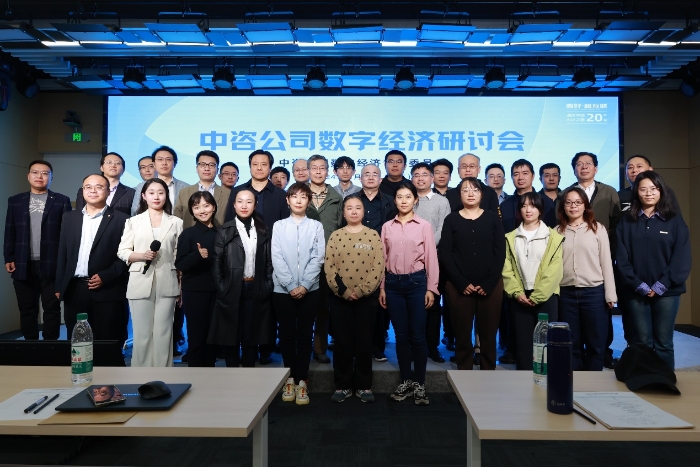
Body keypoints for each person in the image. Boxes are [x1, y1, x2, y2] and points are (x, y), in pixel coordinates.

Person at [616, 171, 691, 370]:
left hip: (668, 292)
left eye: (653, 188)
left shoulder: (675, 221)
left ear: (661, 191)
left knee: (664, 343)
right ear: (636, 192)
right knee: (642, 342)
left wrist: (661, 285)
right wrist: (638, 285)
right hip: (636, 291)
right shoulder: (626, 221)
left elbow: (681, 259)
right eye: (643, 189)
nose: (648, 193)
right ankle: (644, 380)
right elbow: (622, 260)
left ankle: (665, 381)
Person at [222, 149, 289, 365]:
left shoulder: (280, 194)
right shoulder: (238, 191)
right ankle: (240, 350)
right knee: (241, 310)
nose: (259, 168)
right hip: (241, 260)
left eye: (264, 164)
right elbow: (228, 223)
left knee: (266, 308)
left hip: (270, 259)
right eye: (255, 164)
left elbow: (285, 228)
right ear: (249, 166)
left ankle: (265, 349)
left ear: (270, 167)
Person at [379, 182, 438, 405]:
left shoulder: (424, 226)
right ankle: (405, 380)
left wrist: (431, 288)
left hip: (417, 283)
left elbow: (431, 257)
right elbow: (382, 259)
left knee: (418, 335)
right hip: (393, 284)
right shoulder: (387, 227)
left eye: (408, 197)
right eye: (399, 197)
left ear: (415, 200)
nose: (403, 201)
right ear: (395, 200)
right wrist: (382, 287)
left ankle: (420, 383)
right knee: (401, 336)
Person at [439, 177, 505, 371]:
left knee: (488, 335)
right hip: (459, 286)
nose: (470, 193)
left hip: (490, 286)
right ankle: (464, 375)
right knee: (462, 334)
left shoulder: (493, 218)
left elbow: (500, 252)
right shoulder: (451, 219)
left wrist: (489, 283)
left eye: (475, 190)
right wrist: (461, 282)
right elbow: (446, 253)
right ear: (459, 194)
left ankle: (488, 373)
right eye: (465, 190)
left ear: (481, 194)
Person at [56, 173, 129, 346]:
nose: (93, 191)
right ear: (82, 191)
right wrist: (59, 285)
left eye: (99, 187)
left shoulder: (122, 220)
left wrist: (106, 276)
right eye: (88, 187)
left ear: (108, 191)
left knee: (107, 340)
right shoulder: (69, 218)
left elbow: (125, 256)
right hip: (75, 289)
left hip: (107, 289)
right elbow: (62, 253)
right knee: (78, 342)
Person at [117, 178, 183, 367]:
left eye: (161, 193)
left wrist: (181, 285)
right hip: (140, 279)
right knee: (142, 333)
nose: (156, 196)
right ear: (144, 196)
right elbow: (122, 251)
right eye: (152, 192)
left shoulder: (176, 222)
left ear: (166, 196)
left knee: (164, 332)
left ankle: (163, 374)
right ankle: (140, 374)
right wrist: (140, 255)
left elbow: (179, 256)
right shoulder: (133, 221)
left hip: (168, 281)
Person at [325, 195, 384, 403]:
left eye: (358, 207)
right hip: (340, 298)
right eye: (349, 208)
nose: (353, 211)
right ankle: (342, 386)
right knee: (342, 343)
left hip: (366, 299)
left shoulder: (373, 235)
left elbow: (378, 266)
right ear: (343, 212)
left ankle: (363, 386)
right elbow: (329, 267)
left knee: (364, 342)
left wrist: (360, 291)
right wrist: (343, 291)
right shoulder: (336, 236)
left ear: (364, 211)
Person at [4, 160, 71, 340]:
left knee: (52, 308)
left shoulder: (61, 200)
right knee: (27, 309)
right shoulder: (15, 201)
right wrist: (8, 257)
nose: (39, 176)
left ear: (51, 178)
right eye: (35, 172)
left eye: (45, 173)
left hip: (52, 263)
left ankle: (50, 346)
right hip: (22, 263)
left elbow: (67, 234)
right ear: (28, 176)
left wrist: (65, 263)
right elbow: (10, 230)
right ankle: (30, 346)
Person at [272, 182, 325, 405]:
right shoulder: (278, 226)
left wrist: (304, 284)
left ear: (309, 201)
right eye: (295, 196)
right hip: (282, 289)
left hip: (310, 289)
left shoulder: (316, 226)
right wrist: (290, 284)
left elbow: (318, 256)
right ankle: (289, 379)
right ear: (288, 200)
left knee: (304, 335)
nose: (299, 200)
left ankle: (302, 380)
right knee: (286, 335)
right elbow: (276, 256)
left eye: (304, 197)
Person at [210, 188, 274, 367]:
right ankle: (231, 376)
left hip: (256, 287)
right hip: (231, 287)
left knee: (251, 335)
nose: (244, 205)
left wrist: (268, 284)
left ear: (255, 205)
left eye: (249, 201)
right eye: (240, 201)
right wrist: (222, 287)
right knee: (231, 335)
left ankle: (249, 374)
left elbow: (269, 262)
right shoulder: (224, 230)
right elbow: (216, 262)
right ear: (234, 205)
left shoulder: (262, 230)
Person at [570, 151, 621, 369]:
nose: (583, 167)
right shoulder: (566, 193)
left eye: (588, 163)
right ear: (574, 169)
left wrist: (612, 254)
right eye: (579, 164)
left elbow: (617, 225)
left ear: (596, 168)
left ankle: (603, 354)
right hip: (572, 272)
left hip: (600, 260)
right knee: (573, 330)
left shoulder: (609, 192)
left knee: (599, 323)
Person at [556, 187, 617, 371]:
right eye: (568, 202)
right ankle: (574, 380)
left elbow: (606, 262)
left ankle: (593, 380)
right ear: (563, 206)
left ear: (585, 205)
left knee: (596, 342)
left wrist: (610, 294)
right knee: (570, 342)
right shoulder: (557, 231)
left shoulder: (597, 229)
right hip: (566, 293)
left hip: (593, 293)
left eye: (578, 202)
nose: (573, 206)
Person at [502, 192, 564, 371]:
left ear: (540, 209)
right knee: (523, 346)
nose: (528, 210)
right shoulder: (510, 237)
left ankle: (547, 381)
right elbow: (507, 269)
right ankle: (524, 382)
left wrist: (538, 296)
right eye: (524, 206)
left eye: (533, 206)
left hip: (546, 297)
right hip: (520, 297)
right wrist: (517, 293)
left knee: (546, 343)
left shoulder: (553, 236)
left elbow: (554, 270)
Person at [354, 164, 397, 362]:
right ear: (360, 178)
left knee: (379, 306)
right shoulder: (352, 200)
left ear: (381, 179)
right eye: (366, 174)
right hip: (355, 257)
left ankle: (377, 347)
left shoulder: (390, 201)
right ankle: (357, 347)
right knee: (356, 304)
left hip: (382, 257)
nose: (370, 177)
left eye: (375, 174)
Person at [175, 191, 219, 367]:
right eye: (197, 207)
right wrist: (197, 255)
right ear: (192, 211)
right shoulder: (188, 234)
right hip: (195, 292)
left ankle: (210, 375)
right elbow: (180, 263)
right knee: (197, 337)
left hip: (217, 292)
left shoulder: (221, 233)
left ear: (214, 207)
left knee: (213, 338)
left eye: (206, 205)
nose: (202, 210)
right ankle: (195, 376)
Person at [411, 162, 450, 363]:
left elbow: (443, 228)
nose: (420, 178)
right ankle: (414, 346)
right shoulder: (407, 199)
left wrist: (425, 248)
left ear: (432, 178)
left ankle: (432, 347)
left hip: (434, 258)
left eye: (425, 175)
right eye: (416, 175)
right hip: (410, 261)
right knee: (413, 305)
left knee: (433, 304)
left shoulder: (441, 201)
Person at [306, 155, 343, 364]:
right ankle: (300, 346)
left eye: (322, 168)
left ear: (328, 171)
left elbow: (340, 228)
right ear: (308, 171)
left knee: (323, 307)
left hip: (328, 260)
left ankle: (319, 348)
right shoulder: (299, 194)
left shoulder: (336, 197)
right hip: (302, 259)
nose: (318, 171)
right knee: (301, 306)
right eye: (314, 168)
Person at [174, 150, 230, 229]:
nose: (207, 168)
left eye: (211, 165)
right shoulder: (184, 192)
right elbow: (177, 219)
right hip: (191, 236)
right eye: (202, 165)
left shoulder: (228, 194)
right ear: (197, 168)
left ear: (217, 169)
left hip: (220, 235)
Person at [500, 159, 557, 233]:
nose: (520, 177)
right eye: (516, 174)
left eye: (525, 173)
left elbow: (551, 229)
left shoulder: (545, 202)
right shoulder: (505, 205)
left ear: (533, 176)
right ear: (512, 178)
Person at [131, 146, 189, 216]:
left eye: (168, 159)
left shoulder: (185, 188)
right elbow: (135, 212)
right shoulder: (142, 186)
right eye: (160, 159)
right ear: (154, 164)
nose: (164, 163)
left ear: (175, 163)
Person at [76, 152, 135, 217]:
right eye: (109, 162)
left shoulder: (131, 192)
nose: (113, 165)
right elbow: (79, 213)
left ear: (123, 169)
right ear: (101, 167)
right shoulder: (85, 190)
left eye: (117, 163)